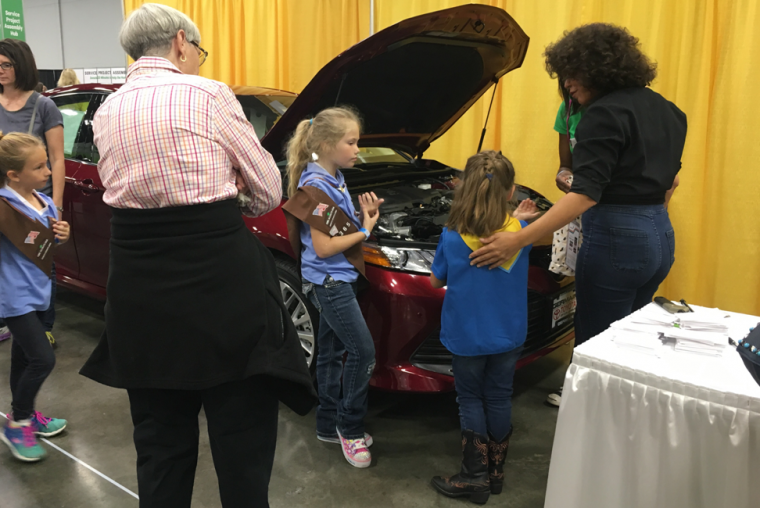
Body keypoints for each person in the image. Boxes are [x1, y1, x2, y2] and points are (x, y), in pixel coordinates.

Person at [78, 5, 315, 508]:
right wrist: (233, 197)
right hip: (220, 286)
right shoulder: (207, 94)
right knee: (242, 444)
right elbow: (269, 189)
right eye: (198, 53)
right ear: (181, 42)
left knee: (161, 448)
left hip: (139, 291)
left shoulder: (108, 110)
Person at [470, 24, 687, 408]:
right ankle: (627, 418)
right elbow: (671, 182)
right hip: (659, 235)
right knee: (633, 335)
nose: (567, 84)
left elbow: (586, 195)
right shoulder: (669, 111)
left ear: (599, 69)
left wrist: (517, 238)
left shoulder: (602, 114)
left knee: (597, 344)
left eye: (573, 74)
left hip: (616, 238)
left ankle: (590, 429)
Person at [428, 151, 540, 504]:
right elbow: (518, 228)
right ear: (511, 193)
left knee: (470, 398)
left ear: (464, 189)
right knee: (499, 394)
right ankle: (495, 473)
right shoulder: (521, 234)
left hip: (466, 336)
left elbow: (435, 281)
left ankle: (473, 476)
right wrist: (519, 220)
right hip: (509, 333)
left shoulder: (451, 236)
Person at [283, 107, 382, 469]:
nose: (358, 149)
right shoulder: (317, 188)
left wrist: (360, 217)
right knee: (363, 353)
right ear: (325, 144)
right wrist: (366, 230)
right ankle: (350, 428)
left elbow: (333, 232)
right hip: (330, 282)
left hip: (335, 278)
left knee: (329, 352)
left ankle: (327, 423)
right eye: (351, 142)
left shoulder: (333, 176)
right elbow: (325, 248)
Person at [0, 132, 70, 462]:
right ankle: (19, 423)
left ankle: (24, 411)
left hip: (42, 289)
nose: (48, 172)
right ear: (13, 174)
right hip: (14, 297)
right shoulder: (4, 206)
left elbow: (47, 244)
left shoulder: (44, 200)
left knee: (24, 358)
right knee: (44, 358)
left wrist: (61, 234)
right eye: (39, 166)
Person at [0, 39, 64, 348]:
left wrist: (58, 207)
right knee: (8, 266)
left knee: (42, 264)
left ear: (20, 65)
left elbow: (57, 158)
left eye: (5, 65)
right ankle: (12, 321)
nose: (0, 71)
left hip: (37, 204)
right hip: (4, 204)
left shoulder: (43, 105)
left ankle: (44, 325)